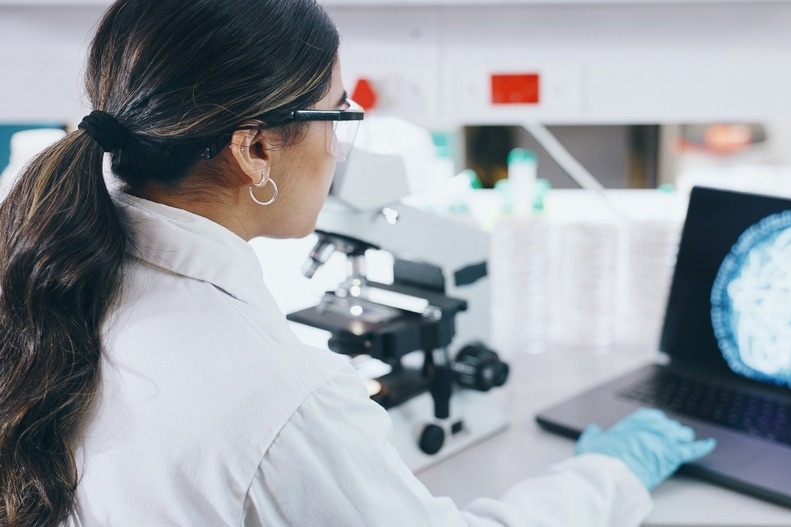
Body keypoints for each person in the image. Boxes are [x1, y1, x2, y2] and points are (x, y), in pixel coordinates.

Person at [0, 1, 715, 526]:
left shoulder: (62, 270)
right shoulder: (283, 402)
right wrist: (610, 475)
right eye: (339, 113)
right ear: (254, 150)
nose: (342, 146)